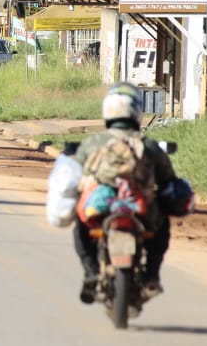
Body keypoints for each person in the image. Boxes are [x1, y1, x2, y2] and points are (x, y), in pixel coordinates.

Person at [71, 82, 177, 304]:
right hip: (140, 209)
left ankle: (90, 270)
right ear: (136, 111)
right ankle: (151, 274)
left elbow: (76, 172)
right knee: (163, 224)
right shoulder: (147, 144)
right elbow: (167, 178)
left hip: (101, 208)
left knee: (80, 222)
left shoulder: (95, 142)